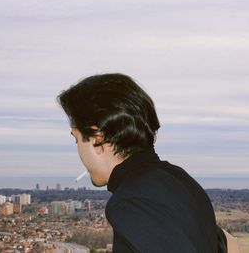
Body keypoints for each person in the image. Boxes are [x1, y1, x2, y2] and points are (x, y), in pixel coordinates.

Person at [58, 73, 229, 253]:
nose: (78, 149)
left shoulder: (132, 201)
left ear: (97, 138)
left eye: (76, 139)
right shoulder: (178, 178)